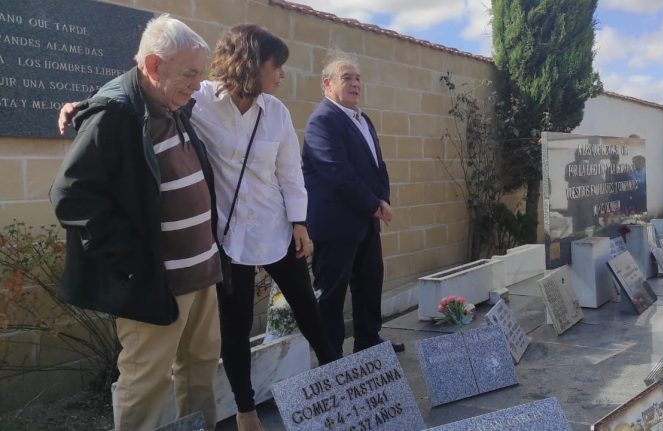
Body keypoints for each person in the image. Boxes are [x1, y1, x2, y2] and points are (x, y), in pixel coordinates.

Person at [57, 25, 337, 431]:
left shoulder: (273, 111)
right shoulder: (199, 99)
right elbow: (135, 97)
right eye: (277, 66)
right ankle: (245, 412)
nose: (282, 75)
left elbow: (291, 174)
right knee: (226, 335)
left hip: (261, 234)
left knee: (294, 317)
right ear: (251, 64)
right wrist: (87, 105)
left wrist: (299, 221)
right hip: (222, 242)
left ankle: (341, 387)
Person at [50, 15, 222, 430]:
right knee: (146, 385)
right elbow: (71, 196)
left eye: (201, 73)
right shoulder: (114, 116)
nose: (198, 83)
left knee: (200, 369)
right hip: (155, 283)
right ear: (152, 65)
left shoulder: (173, 104)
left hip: (202, 274)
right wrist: (134, 261)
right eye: (190, 73)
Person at [302, 54, 405, 358]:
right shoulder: (322, 121)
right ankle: (331, 357)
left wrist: (382, 199)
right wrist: (374, 204)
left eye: (358, 78)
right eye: (347, 77)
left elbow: (377, 166)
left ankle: (368, 341)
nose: (355, 83)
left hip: (367, 221)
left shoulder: (363, 119)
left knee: (370, 284)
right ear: (327, 84)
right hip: (336, 226)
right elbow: (337, 171)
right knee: (332, 296)